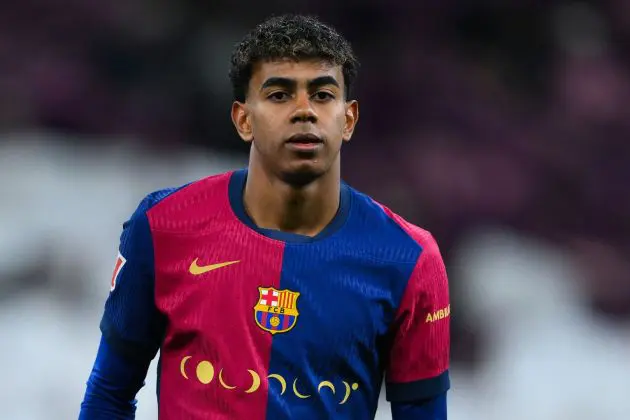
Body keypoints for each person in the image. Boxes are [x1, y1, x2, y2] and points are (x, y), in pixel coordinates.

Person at [79, 13, 450, 420]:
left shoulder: (408, 258)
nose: (304, 111)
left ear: (349, 119)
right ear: (243, 119)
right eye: (279, 94)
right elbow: (109, 395)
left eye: (323, 94)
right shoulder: (164, 224)